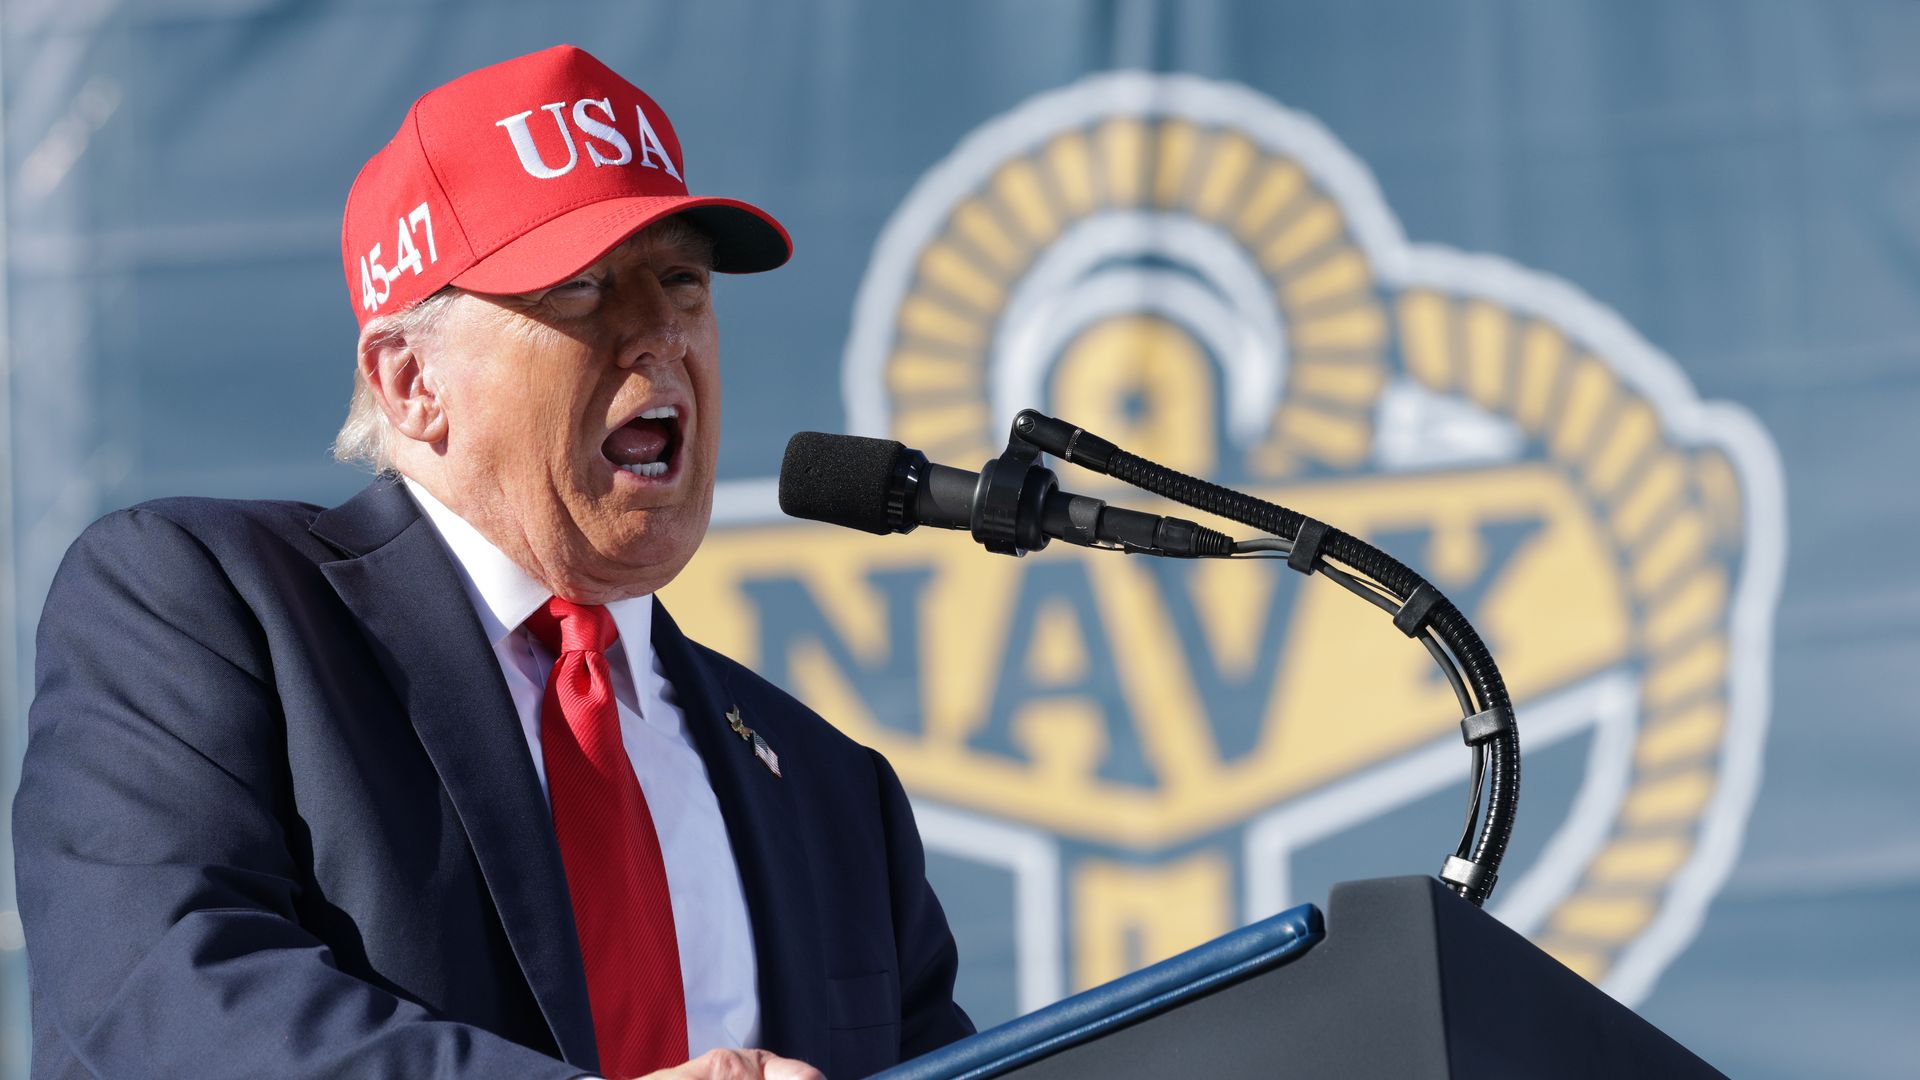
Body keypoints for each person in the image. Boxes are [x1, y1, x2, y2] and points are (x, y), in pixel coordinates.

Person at [12, 44, 972, 1080]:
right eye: (582, 288)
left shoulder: (830, 788)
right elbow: (168, 996)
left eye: (683, 281)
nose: (660, 333)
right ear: (411, 381)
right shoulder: (204, 607)